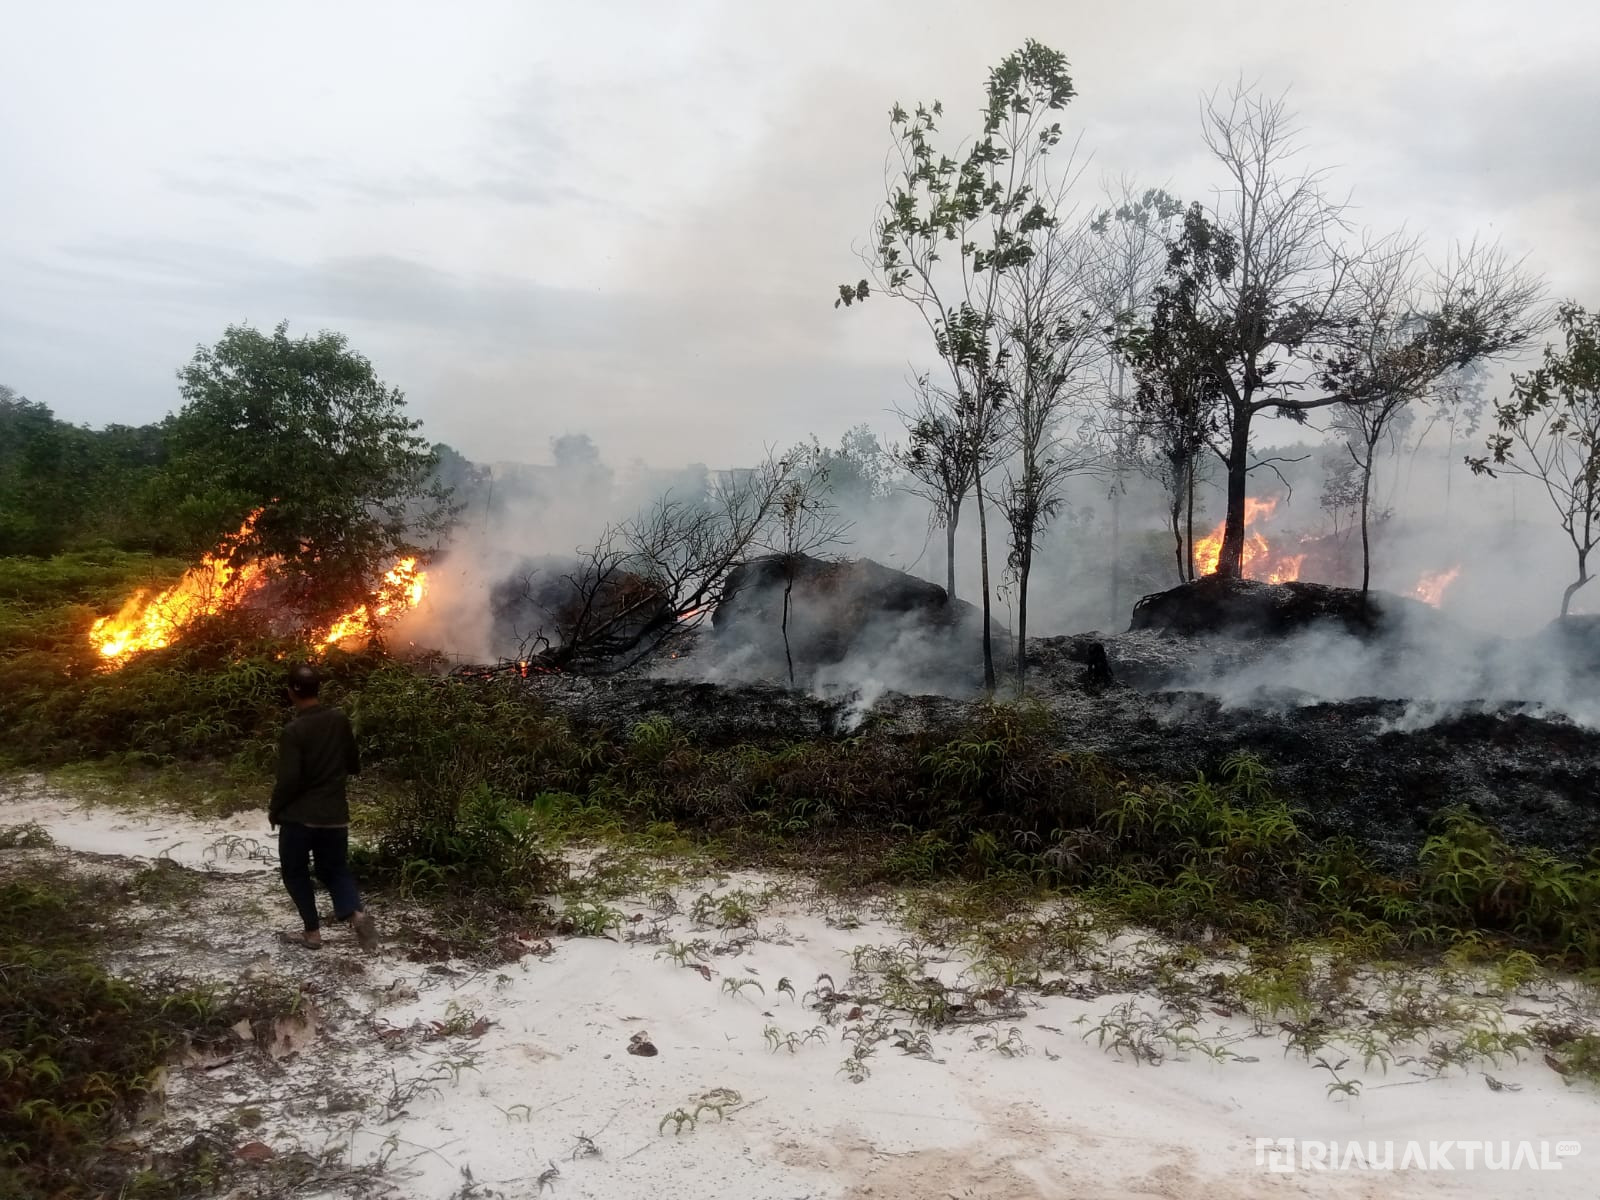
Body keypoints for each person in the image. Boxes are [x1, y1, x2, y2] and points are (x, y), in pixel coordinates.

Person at [269, 662, 377, 951]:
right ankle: (357, 915)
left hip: (301, 818)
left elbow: (289, 779)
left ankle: (312, 933)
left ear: (291, 691)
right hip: (335, 815)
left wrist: (275, 809)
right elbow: (353, 764)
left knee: (295, 871)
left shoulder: (294, 731)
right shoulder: (339, 720)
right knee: (335, 869)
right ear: (318, 688)